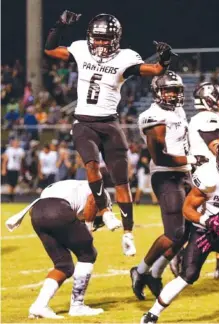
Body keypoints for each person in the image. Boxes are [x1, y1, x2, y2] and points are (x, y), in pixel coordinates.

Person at [44, 10, 176, 255]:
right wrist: (59, 25)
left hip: (110, 124)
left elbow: (156, 70)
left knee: (122, 181)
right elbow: (51, 50)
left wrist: (165, 59)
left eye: (106, 39)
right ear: (90, 36)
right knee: (91, 165)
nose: (102, 43)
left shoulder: (125, 58)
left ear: (115, 39)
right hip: (84, 122)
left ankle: (128, 233)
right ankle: (104, 210)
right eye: (98, 38)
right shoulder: (81, 49)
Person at [141, 131, 219, 324]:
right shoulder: (209, 174)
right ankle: (151, 314)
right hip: (203, 230)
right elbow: (187, 208)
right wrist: (207, 221)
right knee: (188, 275)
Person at [130, 71, 208, 300]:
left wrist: (192, 162)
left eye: (176, 90)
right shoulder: (152, 116)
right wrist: (194, 160)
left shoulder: (179, 111)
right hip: (166, 176)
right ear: (157, 92)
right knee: (174, 232)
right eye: (168, 90)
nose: (173, 95)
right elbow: (160, 158)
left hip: (184, 174)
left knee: (186, 233)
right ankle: (140, 270)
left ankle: (155, 273)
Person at [5, 180, 112, 319]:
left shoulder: (75, 186)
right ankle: (77, 306)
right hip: (58, 209)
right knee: (88, 253)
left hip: (36, 211)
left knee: (64, 265)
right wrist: (89, 227)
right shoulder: (102, 194)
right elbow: (92, 200)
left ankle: (39, 305)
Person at [170, 82, 219, 278]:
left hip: (206, 172)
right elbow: (215, 147)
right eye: (217, 97)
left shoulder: (203, 118)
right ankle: (177, 253)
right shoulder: (209, 118)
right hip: (209, 175)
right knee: (212, 218)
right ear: (208, 99)